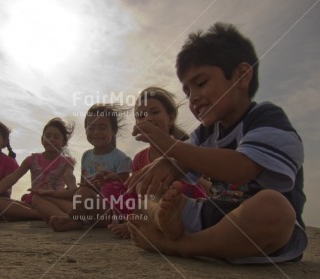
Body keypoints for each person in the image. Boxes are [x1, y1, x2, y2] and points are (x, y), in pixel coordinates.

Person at [126, 22, 307, 264]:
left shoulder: (266, 117)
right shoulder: (205, 132)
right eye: (188, 92)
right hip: (214, 216)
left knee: (273, 207)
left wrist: (170, 145)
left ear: (241, 75)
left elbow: (241, 168)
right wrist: (167, 165)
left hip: (260, 226)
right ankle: (169, 223)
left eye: (200, 84)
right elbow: (183, 162)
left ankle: (176, 246)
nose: (194, 98)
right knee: (148, 193)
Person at [108, 86, 209, 239]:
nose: (147, 118)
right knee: (113, 189)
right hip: (148, 206)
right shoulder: (139, 158)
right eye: (141, 116)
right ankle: (144, 222)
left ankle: (154, 223)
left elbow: (203, 181)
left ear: (170, 118)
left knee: (179, 187)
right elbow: (135, 192)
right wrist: (116, 180)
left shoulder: (184, 148)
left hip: (180, 201)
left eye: (155, 112)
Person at [48, 103, 132, 231]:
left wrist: (105, 183)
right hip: (88, 209)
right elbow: (81, 187)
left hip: (110, 212)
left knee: (85, 191)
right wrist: (52, 193)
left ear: (114, 131)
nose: (96, 132)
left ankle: (72, 219)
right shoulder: (86, 156)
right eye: (91, 127)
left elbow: (126, 192)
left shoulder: (122, 159)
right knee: (53, 197)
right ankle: (76, 219)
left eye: (102, 127)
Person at [0, 118, 76, 221]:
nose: (51, 139)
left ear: (63, 142)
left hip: (54, 201)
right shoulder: (32, 159)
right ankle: (41, 214)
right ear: (42, 139)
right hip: (32, 203)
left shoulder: (66, 162)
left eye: (56, 137)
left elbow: (69, 176)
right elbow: (12, 178)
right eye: (48, 136)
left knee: (39, 199)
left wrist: (70, 189)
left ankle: (47, 214)